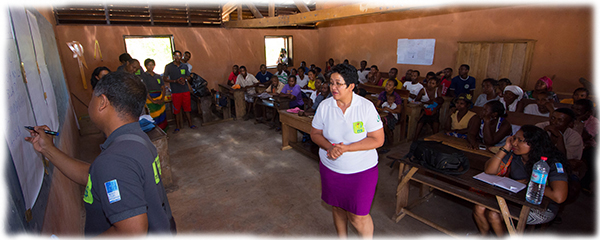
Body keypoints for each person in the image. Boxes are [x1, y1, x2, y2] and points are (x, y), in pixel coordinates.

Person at [25, 71, 176, 236]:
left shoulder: (115, 160)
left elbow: (131, 231)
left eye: (92, 98)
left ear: (102, 102)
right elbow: (94, 175)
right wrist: (48, 149)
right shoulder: (136, 139)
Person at [310, 63, 384, 238]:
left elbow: (378, 140)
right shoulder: (325, 106)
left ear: (351, 86)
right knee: (337, 208)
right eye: (331, 83)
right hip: (331, 169)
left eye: (338, 83)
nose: (333, 87)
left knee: (358, 216)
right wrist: (330, 147)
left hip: (361, 171)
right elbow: (315, 133)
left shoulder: (365, 107)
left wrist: (346, 148)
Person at [473, 125, 568, 236]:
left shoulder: (551, 163)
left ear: (533, 144)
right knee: (479, 207)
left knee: (494, 214)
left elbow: (559, 197)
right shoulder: (515, 155)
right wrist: (505, 148)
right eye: (514, 138)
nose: (514, 143)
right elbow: (489, 171)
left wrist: (529, 183)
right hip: (516, 198)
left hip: (542, 208)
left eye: (520, 140)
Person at [164, 50, 196, 133]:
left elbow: (188, 76)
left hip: (185, 90)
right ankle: (177, 126)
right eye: (175, 56)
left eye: (179, 56)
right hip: (175, 91)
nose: (177, 57)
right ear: (173, 57)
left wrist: (184, 79)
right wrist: (175, 81)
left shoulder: (184, 66)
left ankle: (190, 124)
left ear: (181, 57)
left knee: (187, 108)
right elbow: (164, 78)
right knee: (176, 110)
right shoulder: (169, 67)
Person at [141, 58, 167, 130]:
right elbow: (145, 89)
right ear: (146, 66)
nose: (151, 66)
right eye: (149, 65)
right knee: (153, 116)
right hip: (150, 99)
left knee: (162, 115)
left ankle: (163, 131)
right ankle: (156, 131)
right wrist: (152, 100)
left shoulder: (158, 76)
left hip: (160, 97)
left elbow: (163, 87)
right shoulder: (144, 76)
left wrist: (162, 99)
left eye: (152, 65)